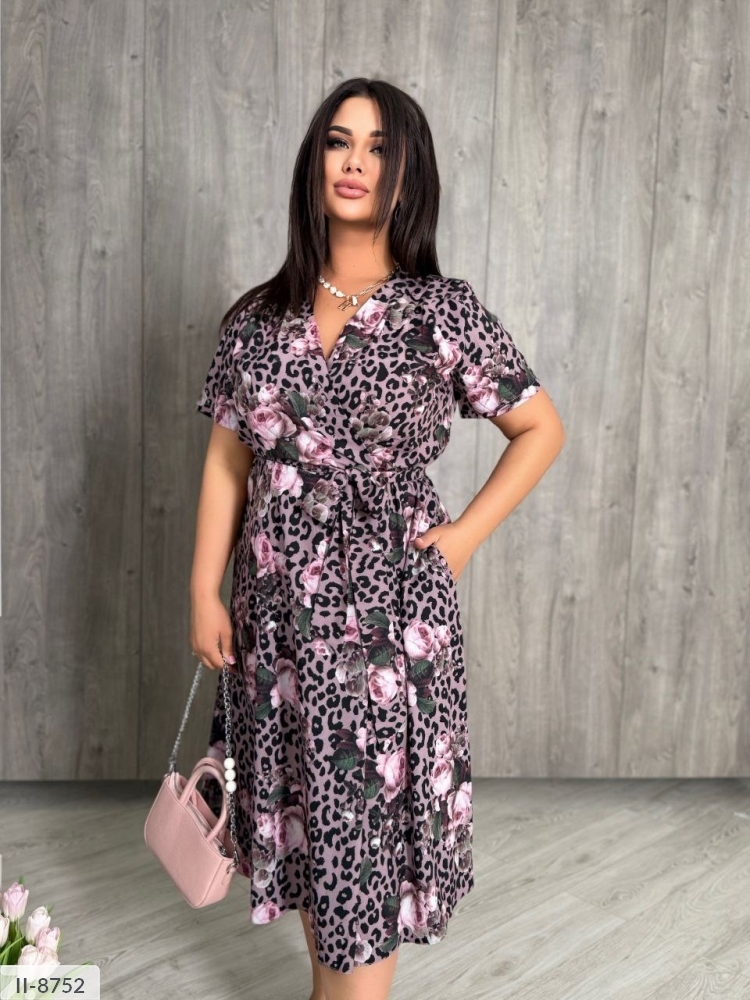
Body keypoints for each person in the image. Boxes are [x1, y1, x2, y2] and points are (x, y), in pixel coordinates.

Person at [189, 77, 564, 1000]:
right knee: (312, 838)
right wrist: (203, 590)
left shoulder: (441, 311)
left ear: (407, 174)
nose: (354, 162)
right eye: (338, 141)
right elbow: (228, 461)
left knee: (362, 855)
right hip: (275, 626)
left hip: (385, 626)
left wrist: (462, 539)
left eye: (378, 147)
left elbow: (539, 428)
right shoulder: (258, 318)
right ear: (314, 161)